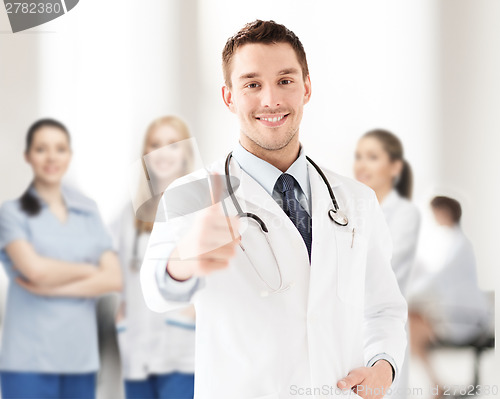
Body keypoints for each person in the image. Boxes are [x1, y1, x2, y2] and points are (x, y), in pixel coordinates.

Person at [141, 20, 407, 399]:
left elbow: (384, 308)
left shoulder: (356, 199)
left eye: (285, 80)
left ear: (307, 87)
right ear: (229, 97)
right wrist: (185, 259)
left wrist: (384, 366)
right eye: (252, 84)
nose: (271, 100)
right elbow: (154, 291)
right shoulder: (193, 194)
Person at [0, 118, 122, 399]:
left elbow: (114, 277)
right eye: (42, 149)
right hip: (29, 361)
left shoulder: (89, 213)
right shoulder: (12, 214)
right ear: (28, 156)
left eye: (60, 148)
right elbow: (35, 271)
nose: (52, 157)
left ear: (69, 155)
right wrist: (90, 271)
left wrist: (53, 286)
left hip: (79, 361)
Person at [112, 116, 195, 399]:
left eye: (172, 144)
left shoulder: (200, 205)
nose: (161, 153)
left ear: (186, 153)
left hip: (183, 353)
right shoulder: (129, 213)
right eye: (155, 144)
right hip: (137, 350)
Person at [354, 129, 421, 399]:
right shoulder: (352, 207)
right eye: (359, 156)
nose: (361, 165)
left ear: (395, 167)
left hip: (384, 323)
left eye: (372, 157)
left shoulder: (405, 213)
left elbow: (382, 267)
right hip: (353, 326)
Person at [407, 196, 492, 395]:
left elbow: (437, 279)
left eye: (435, 212)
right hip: (457, 313)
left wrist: (406, 295)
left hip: (464, 318)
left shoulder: (458, 244)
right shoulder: (449, 241)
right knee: (410, 324)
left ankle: (437, 386)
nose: (434, 217)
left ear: (445, 212)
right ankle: (437, 385)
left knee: (411, 328)